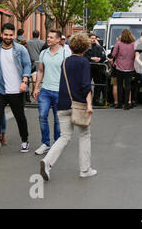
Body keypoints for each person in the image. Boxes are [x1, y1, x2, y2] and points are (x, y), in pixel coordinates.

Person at [39, 33, 96, 181]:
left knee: (64, 136)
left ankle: (48, 161)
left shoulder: (65, 62)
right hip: (79, 104)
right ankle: (85, 169)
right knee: (84, 135)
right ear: (85, 47)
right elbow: (85, 85)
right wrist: (89, 104)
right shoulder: (84, 62)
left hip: (63, 103)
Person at [0, 23, 31, 158]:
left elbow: (27, 65)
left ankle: (25, 140)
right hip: (0, 89)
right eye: (6, 35)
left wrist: (24, 81)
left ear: (14, 35)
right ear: (1, 34)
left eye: (11, 35)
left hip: (17, 90)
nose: (8, 37)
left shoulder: (21, 49)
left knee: (19, 117)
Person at [33, 29, 70, 155]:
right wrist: (37, 87)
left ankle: (57, 144)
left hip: (60, 92)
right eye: (48, 37)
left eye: (51, 37)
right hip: (46, 90)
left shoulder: (66, 52)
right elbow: (40, 71)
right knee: (42, 116)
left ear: (59, 39)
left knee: (57, 119)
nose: (48, 39)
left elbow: (70, 72)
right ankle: (45, 143)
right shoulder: (43, 53)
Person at [111, 29, 136, 110]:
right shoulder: (133, 44)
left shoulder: (118, 43)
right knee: (128, 86)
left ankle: (119, 104)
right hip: (130, 67)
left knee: (119, 86)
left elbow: (113, 54)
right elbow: (136, 55)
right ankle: (127, 104)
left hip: (119, 67)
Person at [84, 33, 107, 106]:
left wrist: (100, 59)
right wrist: (91, 58)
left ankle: (95, 100)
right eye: (92, 38)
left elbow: (104, 56)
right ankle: (88, 100)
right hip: (88, 68)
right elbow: (83, 57)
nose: (93, 39)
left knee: (98, 85)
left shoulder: (99, 47)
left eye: (94, 38)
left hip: (98, 68)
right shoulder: (85, 47)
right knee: (87, 84)